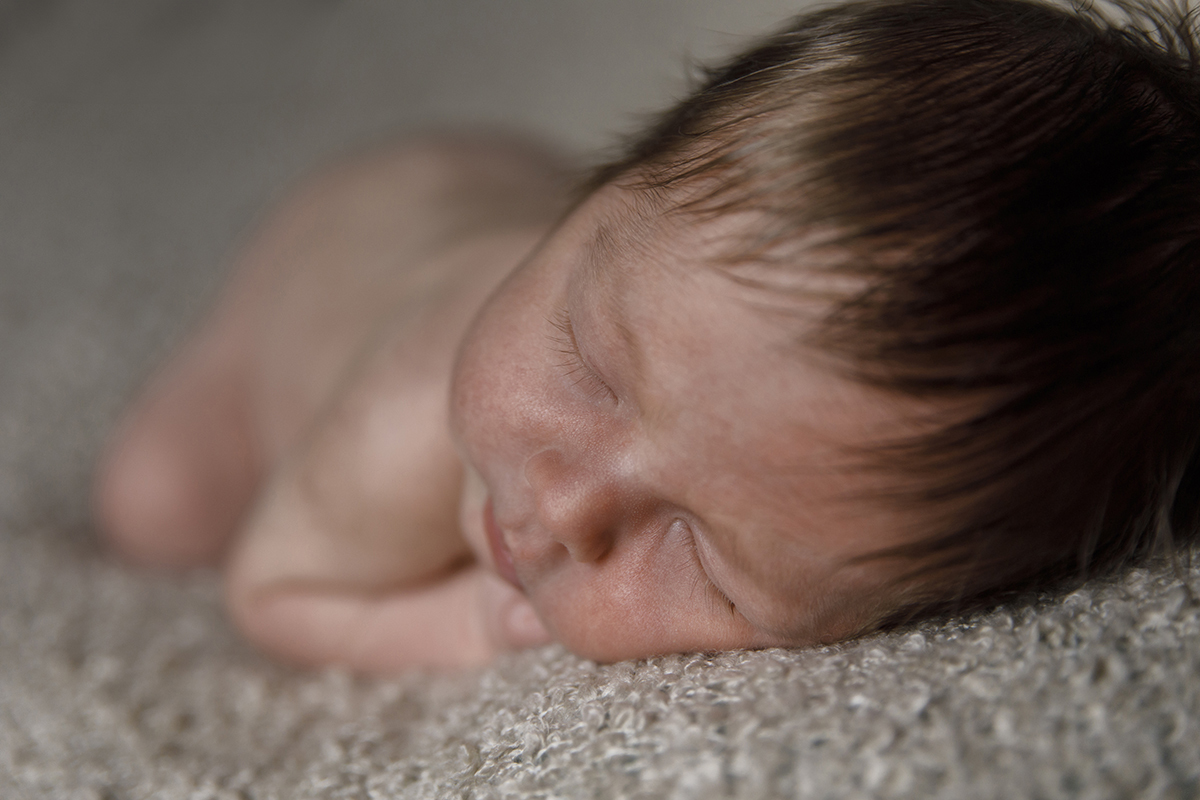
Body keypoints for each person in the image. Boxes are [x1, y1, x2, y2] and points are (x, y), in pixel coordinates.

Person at [93, 0, 1200, 672]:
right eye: (590, 361)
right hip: (332, 238)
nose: (569, 511)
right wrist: (462, 624)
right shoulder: (397, 422)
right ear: (610, 180)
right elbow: (277, 593)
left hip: (511, 194)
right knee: (156, 504)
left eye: (711, 566)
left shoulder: (647, 290)